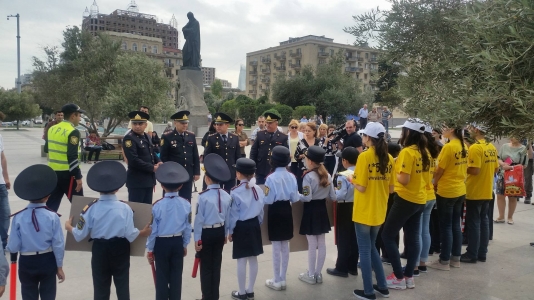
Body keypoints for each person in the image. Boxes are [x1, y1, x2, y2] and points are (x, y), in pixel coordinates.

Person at [66, 161, 151, 300]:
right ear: (117, 188)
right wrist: (142, 233)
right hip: (120, 248)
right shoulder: (125, 208)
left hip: (100, 249)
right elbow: (130, 233)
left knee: (100, 287)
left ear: (97, 188)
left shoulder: (90, 208)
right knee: (122, 285)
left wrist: (69, 227)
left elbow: (79, 234)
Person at [382, 118, 429, 290]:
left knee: (387, 235)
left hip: (405, 199)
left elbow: (404, 179)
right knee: (413, 236)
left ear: (408, 133)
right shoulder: (425, 152)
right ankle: (409, 275)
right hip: (420, 199)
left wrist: (395, 168)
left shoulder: (407, 152)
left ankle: (398, 276)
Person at [7, 165, 65, 300]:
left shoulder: (18, 217)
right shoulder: (52, 216)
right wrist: (59, 266)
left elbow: (13, 246)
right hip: (47, 260)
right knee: (48, 295)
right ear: (47, 197)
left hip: (27, 261)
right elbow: (58, 244)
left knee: (28, 295)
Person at [351, 122, 394, 300]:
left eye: (364, 136)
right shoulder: (390, 158)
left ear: (369, 138)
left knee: (365, 250)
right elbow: (391, 189)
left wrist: (351, 178)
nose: (362, 138)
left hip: (363, 210)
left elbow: (361, 186)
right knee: (372, 248)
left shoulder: (364, 157)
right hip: (379, 210)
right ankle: (382, 286)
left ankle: (368, 291)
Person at [147, 162, 192, 300]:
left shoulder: (157, 206)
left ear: (162, 186)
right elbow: (187, 227)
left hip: (161, 244)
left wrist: (150, 249)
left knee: (161, 276)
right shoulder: (186, 204)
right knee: (176, 277)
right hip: (177, 242)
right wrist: (184, 244)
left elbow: (153, 230)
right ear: (180, 185)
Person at [427, 125, 467, 271]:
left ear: (452, 129)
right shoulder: (464, 146)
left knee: (446, 226)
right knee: (456, 225)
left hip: (447, 191)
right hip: (460, 190)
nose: (443, 129)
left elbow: (439, 171)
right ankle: (455, 259)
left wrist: (433, 183)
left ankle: (444, 260)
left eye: (445, 127)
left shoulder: (449, 147)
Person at [194, 154, 232, 300]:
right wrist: (226, 233)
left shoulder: (203, 196)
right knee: (216, 265)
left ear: (207, 179)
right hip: (220, 231)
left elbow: (199, 220)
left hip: (206, 233)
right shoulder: (226, 195)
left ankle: (206, 296)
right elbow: (228, 217)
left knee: (206, 268)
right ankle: (214, 296)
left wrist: (197, 239)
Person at [459, 123, 498, 264]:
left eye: (469, 129)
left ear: (476, 130)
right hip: (487, 189)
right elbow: (495, 169)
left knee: (474, 222)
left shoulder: (476, 147)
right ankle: (482, 252)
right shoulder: (491, 147)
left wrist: (463, 167)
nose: (468, 131)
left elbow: (475, 170)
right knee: (483, 221)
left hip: (475, 190)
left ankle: (472, 253)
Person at [227, 158, 265, 300]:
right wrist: (257, 223)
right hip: (254, 224)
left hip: (241, 227)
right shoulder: (258, 189)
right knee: (253, 258)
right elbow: (261, 210)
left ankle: (241, 292)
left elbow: (234, 215)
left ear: (238, 174)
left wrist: (230, 231)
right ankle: (250, 290)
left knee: (241, 260)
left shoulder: (235, 191)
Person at [298, 146, 335, 285]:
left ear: (311, 161)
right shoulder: (328, 175)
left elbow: (307, 198)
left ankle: (311, 274)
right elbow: (333, 196)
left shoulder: (308, 177)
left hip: (310, 210)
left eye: (306, 159)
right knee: (322, 243)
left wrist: (296, 196)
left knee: (312, 243)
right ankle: (318, 274)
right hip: (322, 210)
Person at [263, 146, 299, 291]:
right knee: (285, 245)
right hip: (287, 210)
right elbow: (295, 197)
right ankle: (283, 278)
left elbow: (268, 199)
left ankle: (276, 279)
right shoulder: (292, 176)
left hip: (275, 211)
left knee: (276, 246)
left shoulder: (270, 178)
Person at [45, 103, 85, 212]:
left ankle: (46, 227)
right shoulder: (73, 131)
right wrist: (78, 177)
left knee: (51, 206)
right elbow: (72, 155)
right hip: (68, 174)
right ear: (73, 116)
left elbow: (46, 149)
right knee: (80, 207)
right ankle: (78, 228)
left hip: (53, 173)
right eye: (79, 116)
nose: (80, 119)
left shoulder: (52, 129)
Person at [327, 147, 359, 278]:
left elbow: (340, 195)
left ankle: (341, 267)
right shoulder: (361, 172)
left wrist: (332, 192)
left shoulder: (342, 176)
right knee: (355, 237)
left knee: (343, 238)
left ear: (345, 161)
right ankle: (353, 266)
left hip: (345, 208)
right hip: (358, 206)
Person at [412, 124, 440, 275]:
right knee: (425, 230)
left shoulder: (420, 153)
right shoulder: (431, 154)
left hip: (421, 195)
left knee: (417, 231)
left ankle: (415, 265)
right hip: (430, 195)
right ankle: (422, 263)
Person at [122, 110, 162, 204]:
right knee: (137, 210)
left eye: (140, 124)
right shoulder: (129, 138)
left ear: (145, 125)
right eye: (134, 123)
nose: (137, 126)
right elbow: (133, 160)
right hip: (137, 181)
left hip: (148, 180)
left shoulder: (146, 136)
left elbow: (151, 152)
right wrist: (152, 168)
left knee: (147, 208)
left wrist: (159, 161)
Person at [160, 111, 200, 202]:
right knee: (170, 199)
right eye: (182, 123)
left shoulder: (191, 136)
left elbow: (195, 155)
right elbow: (163, 157)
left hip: (187, 173)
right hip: (173, 174)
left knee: (186, 199)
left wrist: (196, 172)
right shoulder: (167, 137)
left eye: (186, 123)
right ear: (175, 123)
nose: (185, 125)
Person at [494, 137, 528, 224]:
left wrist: (511, 167)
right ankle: (501, 216)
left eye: (514, 136)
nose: (512, 138)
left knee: (512, 196)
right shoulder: (504, 146)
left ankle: (510, 217)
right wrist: (503, 164)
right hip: (503, 174)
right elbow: (498, 158)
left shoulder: (523, 149)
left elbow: (524, 165)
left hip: (514, 176)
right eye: (511, 135)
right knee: (500, 196)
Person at [203, 112, 241, 192]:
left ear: (227, 125)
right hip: (216, 174)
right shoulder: (211, 138)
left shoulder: (234, 138)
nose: (218, 127)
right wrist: (208, 172)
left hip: (230, 173)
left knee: (229, 196)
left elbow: (238, 157)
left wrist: (238, 171)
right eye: (217, 124)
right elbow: (207, 157)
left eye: (220, 124)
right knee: (216, 196)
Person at [250, 112, 289, 185]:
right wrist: (252, 167)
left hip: (275, 171)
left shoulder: (283, 137)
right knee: (261, 191)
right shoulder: (260, 134)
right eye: (267, 123)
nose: (268, 125)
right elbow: (254, 151)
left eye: (270, 123)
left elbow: (286, 155)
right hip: (261, 169)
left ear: (276, 124)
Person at [294, 123, 320, 192]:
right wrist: (302, 156)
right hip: (303, 169)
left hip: (316, 169)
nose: (307, 133)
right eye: (305, 131)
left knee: (314, 189)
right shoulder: (301, 142)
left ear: (314, 131)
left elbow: (321, 155)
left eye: (309, 131)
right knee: (302, 189)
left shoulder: (318, 142)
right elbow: (296, 156)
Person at [0, 120, 9, 250]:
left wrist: (6, 177)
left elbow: (2, 157)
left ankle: (4, 242)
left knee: (5, 213)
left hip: (0, 184)